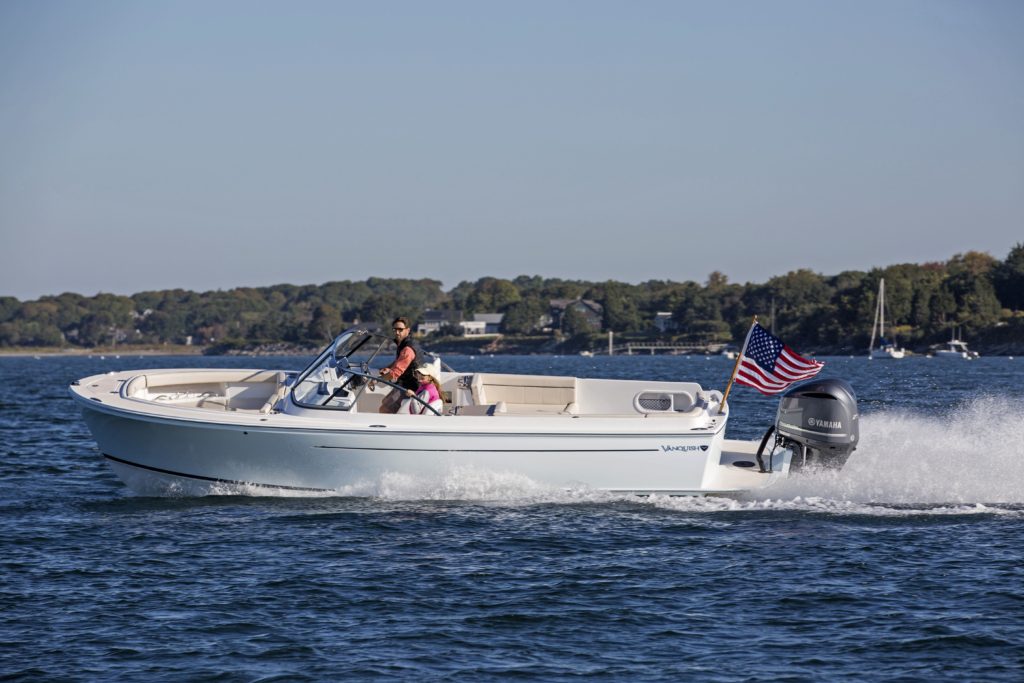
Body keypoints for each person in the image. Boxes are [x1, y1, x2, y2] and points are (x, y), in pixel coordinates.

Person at [377, 317, 422, 413]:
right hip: (404, 384)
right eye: (395, 329)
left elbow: (395, 374)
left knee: (385, 409)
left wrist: (376, 381)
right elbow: (399, 361)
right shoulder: (403, 344)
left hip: (412, 387)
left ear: (407, 330)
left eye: (400, 330)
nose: (397, 332)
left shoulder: (407, 349)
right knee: (385, 401)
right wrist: (388, 368)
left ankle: (387, 427)